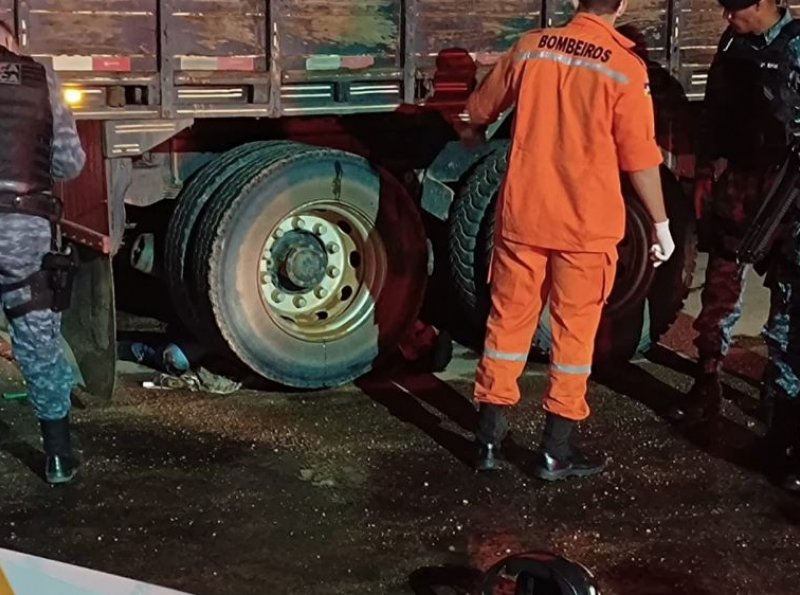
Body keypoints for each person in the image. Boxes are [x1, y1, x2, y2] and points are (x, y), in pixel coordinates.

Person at [456, 0, 673, 480]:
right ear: (621, 5)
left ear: (577, 1)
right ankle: (555, 451)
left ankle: (488, 442)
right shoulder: (622, 67)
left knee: (507, 325)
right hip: (585, 226)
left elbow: (480, 108)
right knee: (573, 334)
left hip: (524, 216)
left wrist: (470, 127)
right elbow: (640, 155)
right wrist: (660, 223)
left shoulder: (532, 47)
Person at [670, 0, 800, 425]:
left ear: (764, 3)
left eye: (734, 7)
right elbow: (714, 113)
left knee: (789, 301)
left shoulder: (796, 47)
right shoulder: (733, 44)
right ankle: (707, 378)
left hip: (789, 194)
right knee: (721, 287)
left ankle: (781, 403)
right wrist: (707, 171)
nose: (727, 16)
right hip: (740, 187)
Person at [0, 21, 86, 484]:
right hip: (23, 228)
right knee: (37, 341)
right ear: (9, 37)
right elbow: (70, 163)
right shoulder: (40, 77)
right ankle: (56, 457)